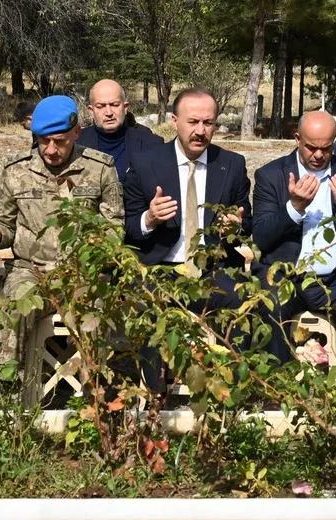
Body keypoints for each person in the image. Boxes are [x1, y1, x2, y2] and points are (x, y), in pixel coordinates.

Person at [123, 87, 251, 390]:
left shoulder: (232, 165)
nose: (200, 131)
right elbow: (128, 227)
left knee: (240, 302)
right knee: (149, 308)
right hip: (161, 267)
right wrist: (150, 218)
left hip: (213, 269)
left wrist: (236, 227)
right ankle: (155, 398)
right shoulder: (145, 163)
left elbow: (249, 222)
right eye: (193, 122)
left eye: (208, 123)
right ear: (174, 121)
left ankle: (229, 397)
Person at [253, 110, 336, 363]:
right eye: (311, 148)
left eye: (327, 148)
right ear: (297, 139)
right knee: (270, 304)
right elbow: (261, 238)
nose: (319, 155)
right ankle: (279, 386)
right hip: (288, 276)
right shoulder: (271, 175)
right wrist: (294, 208)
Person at [0, 95, 123, 301]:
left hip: (83, 272)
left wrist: (95, 247)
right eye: (44, 141)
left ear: (76, 132)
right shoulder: (16, 171)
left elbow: (114, 228)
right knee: (14, 312)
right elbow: (6, 229)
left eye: (59, 141)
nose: (51, 150)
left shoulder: (99, 169)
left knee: (93, 317)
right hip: (28, 272)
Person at [77, 79, 163, 183]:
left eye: (114, 105)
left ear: (125, 107)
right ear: (91, 111)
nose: (109, 112)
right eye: (101, 106)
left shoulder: (148, 142)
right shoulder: (77, 142)